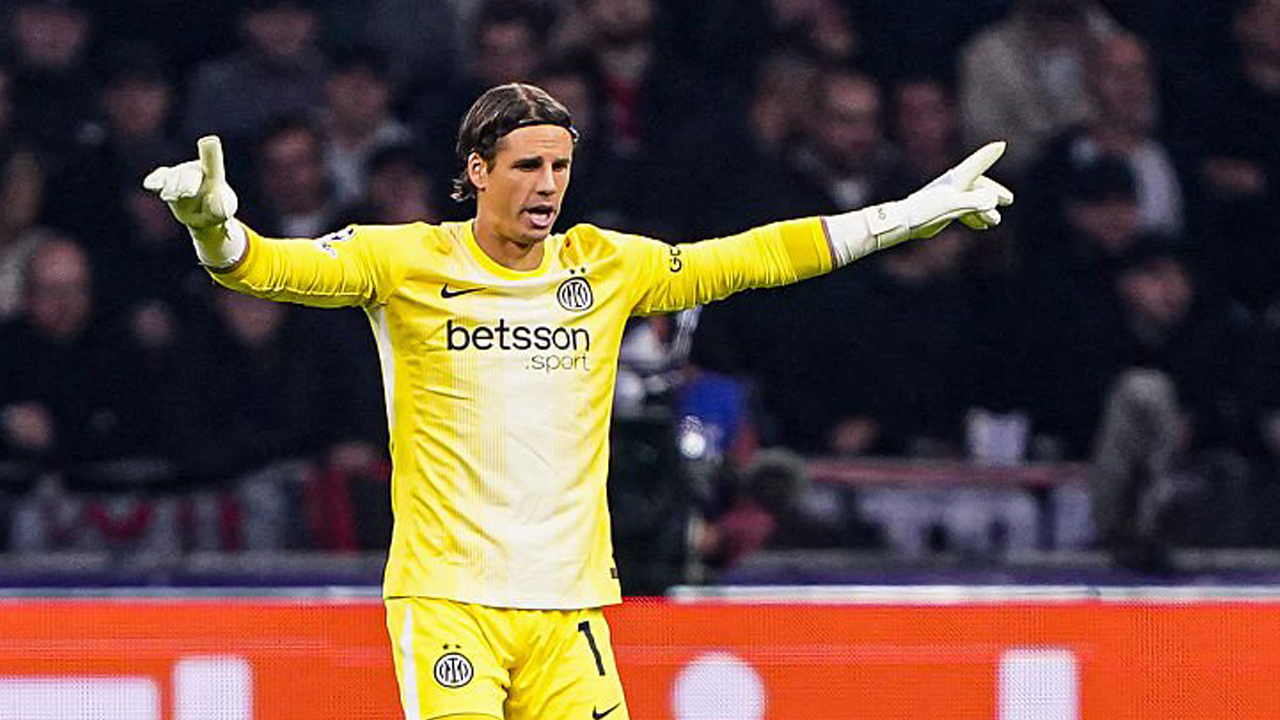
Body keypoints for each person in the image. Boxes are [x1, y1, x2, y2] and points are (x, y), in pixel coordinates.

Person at [144, 83, 1011, 720]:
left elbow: (755, 257)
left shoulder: (604, 266)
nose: (548, 184)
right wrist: (214, 224)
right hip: (450, 605)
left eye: (560, 165)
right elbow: (268, 268)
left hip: (570, 608)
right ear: (478, 170)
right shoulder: (401, 260)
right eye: (527, 165)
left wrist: (905, 216)